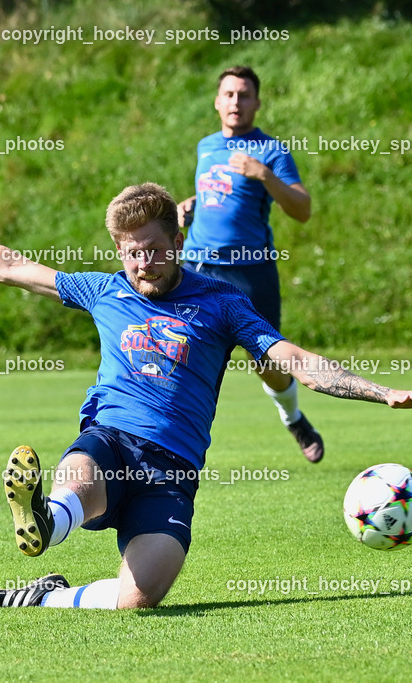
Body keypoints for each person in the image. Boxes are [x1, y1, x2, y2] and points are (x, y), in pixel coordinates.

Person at [0, 183, 412, 609]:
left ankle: (42, 595)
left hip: (174, 469)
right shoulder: (104, 289)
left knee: (139, 599)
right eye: (131, 253)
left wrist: (386, 394)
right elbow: (6, 267)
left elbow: (294, 361)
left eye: (153, 250)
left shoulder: (222, 304)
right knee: (78, 475)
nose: (142, 263)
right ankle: (44, 519)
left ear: (178, 241)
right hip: (111, 439)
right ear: (118, 250)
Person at [177, 66, 324, 463]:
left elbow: (303, 209)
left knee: (268, 361)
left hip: (250, 271)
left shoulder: (272, 152)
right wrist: (190, 205)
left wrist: (265, 177)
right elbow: (219, 194)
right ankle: (171, 442)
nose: (235, 102)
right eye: (228, 94)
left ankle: (293, 418)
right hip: (199, 267)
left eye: (244, 95)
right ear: (217, 101)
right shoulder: (206, 146)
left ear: (257, 103)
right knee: (182, 352)